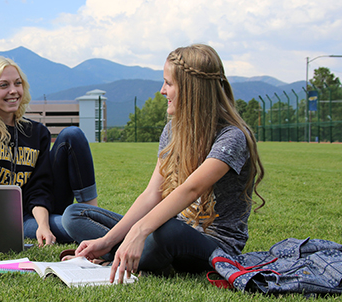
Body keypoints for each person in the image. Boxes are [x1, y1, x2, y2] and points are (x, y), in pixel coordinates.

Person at [61, 44, 266, 283]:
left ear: (191, 90)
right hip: (167, 229)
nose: (162, 91)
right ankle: (121, 250)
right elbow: (152, 194)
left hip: (212, 244)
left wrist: (139, 231)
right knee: (74, 214)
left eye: (168, 83)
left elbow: (191, 189)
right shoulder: (172, 130)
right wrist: (107, 239)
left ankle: (124, 255)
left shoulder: (233, 137)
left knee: (164, 232)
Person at [0, 56, 98, 246]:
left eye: (18, 83)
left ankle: (94, 216)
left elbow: (39, 187)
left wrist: (43, 226)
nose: (13, 91)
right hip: (4, 219)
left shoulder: (36, 132)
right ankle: (92, 229)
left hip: (39, 212)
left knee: (73, 135)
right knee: (72, 228)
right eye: (4, 85)